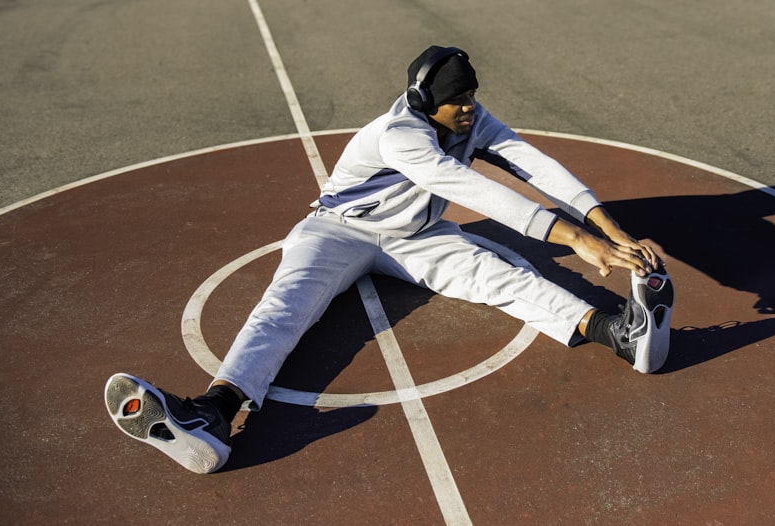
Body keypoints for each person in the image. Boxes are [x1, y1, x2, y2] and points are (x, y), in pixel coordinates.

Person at [104, 45, 669, 474]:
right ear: (429, 104)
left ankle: (618, 331)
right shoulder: (399, 134)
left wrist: (608, 229)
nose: (470, 109)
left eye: (472, 97)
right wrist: (572, 238)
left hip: (417, 237)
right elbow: (463, 185)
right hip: (337, 232)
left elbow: (535, 166)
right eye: (459, 102)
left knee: (504, 276)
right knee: (284, 306)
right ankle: (215, 414)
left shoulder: (472, 117)